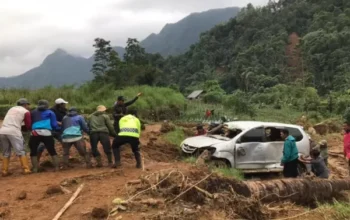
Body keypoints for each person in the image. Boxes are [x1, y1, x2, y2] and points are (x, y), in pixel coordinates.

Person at [0, 98, 32, 176]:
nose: (28, 106)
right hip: (14, 132)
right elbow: (28, 124)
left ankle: (4, 171)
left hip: (2, 131)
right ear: (25, 105)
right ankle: (26, 169)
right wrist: (30, 129)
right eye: (27, 105)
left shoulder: (11, 109)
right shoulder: (26, 111)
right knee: (20, 151)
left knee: (6, 152)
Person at [29, 100, 61, 172]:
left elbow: (30, 122)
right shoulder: (50, 112)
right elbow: (54, 125)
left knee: (33, 151)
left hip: (35, 132)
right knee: (52, 151)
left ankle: (35, 168)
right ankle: (56, 168)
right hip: (46, 132)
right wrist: (57, 128)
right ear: (47, 105)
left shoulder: (32, 112)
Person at [37, 98, 68, 163]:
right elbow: (48, 119)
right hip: (50, 130)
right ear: (60, 104)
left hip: (59, 130)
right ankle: (36, 162)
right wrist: (58, 122)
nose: (65, 105)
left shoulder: (64, 111)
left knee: (65, 143)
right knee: (42, 146)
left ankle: (65, 161)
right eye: (64, 104)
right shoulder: (51, 110)